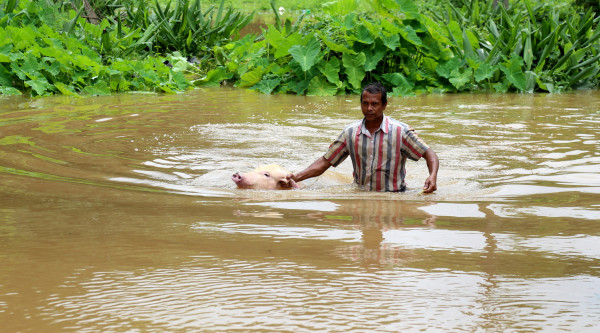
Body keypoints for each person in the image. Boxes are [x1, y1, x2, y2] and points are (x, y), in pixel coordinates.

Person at [288, 82, 439, 193]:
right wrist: (295, 178)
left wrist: (432, 177)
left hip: (395, 196)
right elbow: (325, 162)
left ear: (384, 105)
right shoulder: (350, 133)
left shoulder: (401, 132)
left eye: (375, 104)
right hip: (361, 196)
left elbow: (429, 153)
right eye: (365, 103)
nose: (369, 109)